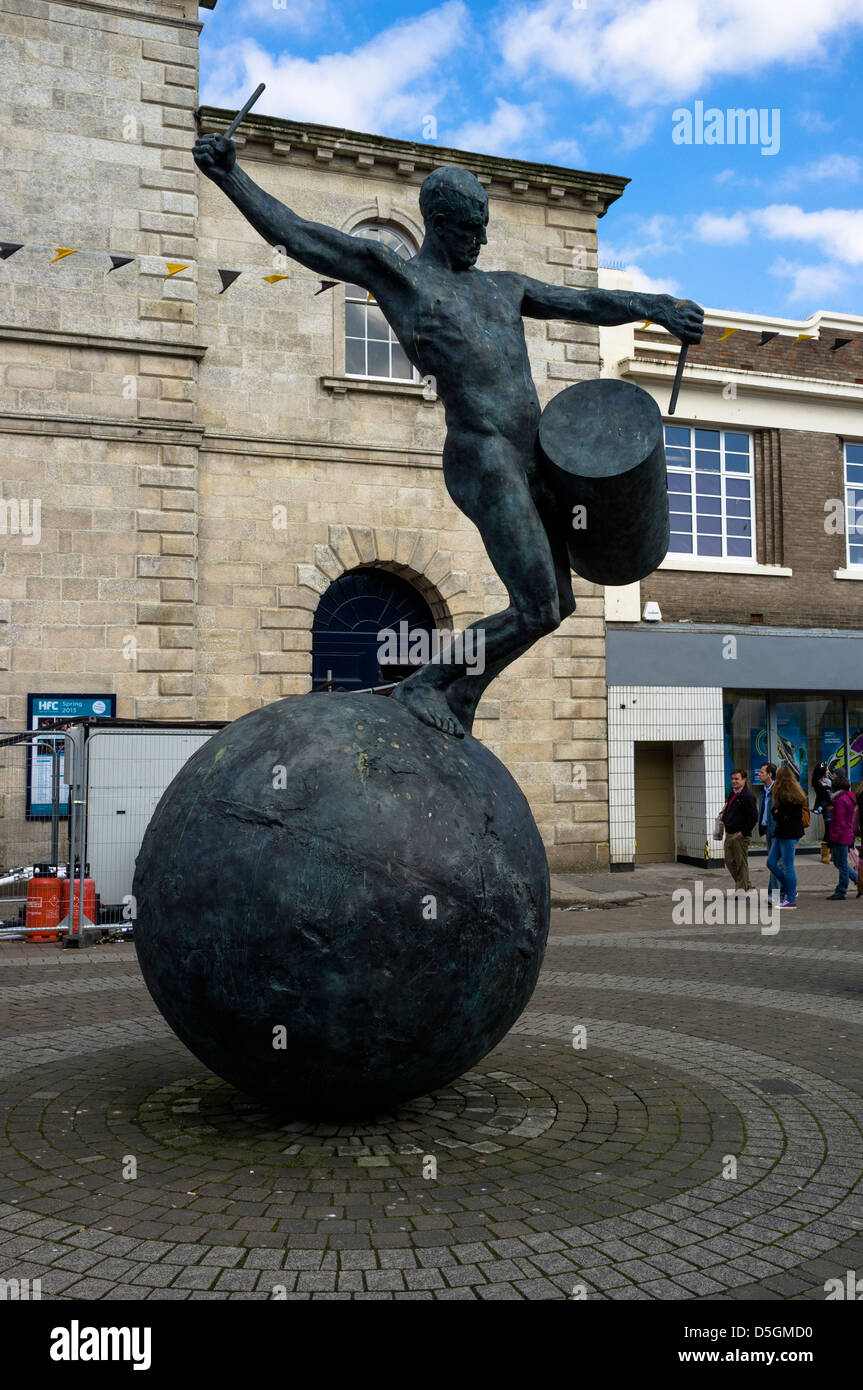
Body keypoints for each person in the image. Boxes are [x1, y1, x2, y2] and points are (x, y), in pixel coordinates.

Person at [193, 133, 704, 739]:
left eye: (483, 228)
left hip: (535, 457)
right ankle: (425, 684)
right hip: (481, 455)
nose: (480, 241)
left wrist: (657, 305)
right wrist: (231, 177)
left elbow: (584, 301)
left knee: (556, 608)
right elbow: (303, 236)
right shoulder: (400, 278)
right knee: (536, 605)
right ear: (438, 223)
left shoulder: (503, 288)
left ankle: (462, 696)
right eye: (468, 229)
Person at [767, 764, 808, 909]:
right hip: (783, 833)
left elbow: (781, 814)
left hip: (788, 834)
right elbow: (777, 812)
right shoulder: (794, 792)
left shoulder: (786, 795)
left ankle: (790, 900)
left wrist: (778, 814)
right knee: (771, 863)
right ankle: (791, 888)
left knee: (787, 866)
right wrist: (777, 814)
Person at [718, 769, 758, 892]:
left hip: (740, 835)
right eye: (732, 779)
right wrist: (723, 816)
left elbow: (754, 817)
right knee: (729, 861)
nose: (734, 781)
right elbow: (730, 810)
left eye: (737, 779)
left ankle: (741, 890)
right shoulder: (733, 794)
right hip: (729, 833)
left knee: (741, 863)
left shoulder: (748, 796)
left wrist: (744, 832)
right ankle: (747, 884)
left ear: (744, 780)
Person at [826, 774, 859, 900]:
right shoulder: (847, 798)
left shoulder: (840, 800)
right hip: (845, 834)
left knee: (841, 864)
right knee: (840, 863)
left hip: (840, 836)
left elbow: (839, 821)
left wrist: (832, 838)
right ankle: (857, 880)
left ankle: (841, 890)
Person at [756, 762, 779, 897]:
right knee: (773, 863)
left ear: (770, 775)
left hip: (777, 830)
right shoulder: (764, 791)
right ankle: (774, 892)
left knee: (774, 863)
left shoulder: (777, 790)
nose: (759, 774)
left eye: (762, 772)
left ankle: (776, 894)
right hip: (768, 830)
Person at [812, 762, 833, 864]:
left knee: (834, 830)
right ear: (822, 772)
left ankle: (834, 854)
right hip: (826, 808)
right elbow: (822, 797)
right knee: (828, 830)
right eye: (827, 770)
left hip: (834, 808)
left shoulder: (829, 781)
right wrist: (825, 806)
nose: (828, 771)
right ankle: (825, 855)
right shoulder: (818, 783)